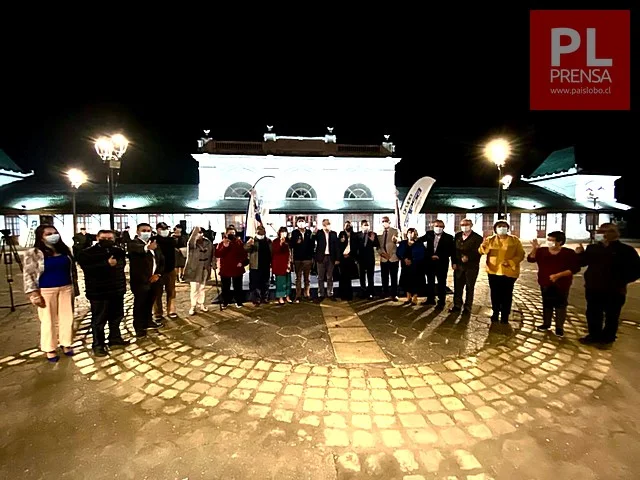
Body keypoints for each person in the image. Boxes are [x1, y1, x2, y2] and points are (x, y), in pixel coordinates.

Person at [576, 223, 640, 347]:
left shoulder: (626, 250)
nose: (598, 234)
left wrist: (622, 280)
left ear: (608, 234)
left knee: (612, 315)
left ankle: (608, 337)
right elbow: (583, 263)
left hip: (615, 289)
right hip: (593, 287)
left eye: (600, 232)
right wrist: (580, 253)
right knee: (593, 313)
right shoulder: (593, 248)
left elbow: (637, 270)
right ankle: (594, 335)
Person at [23, 225, 79, 362]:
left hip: (66, 287)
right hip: (46, 290)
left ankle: (66, 343)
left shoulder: (64, 250)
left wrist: (75, 287)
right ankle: (50, 348)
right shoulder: (34, 252)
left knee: (68, 318)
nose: (53, 235)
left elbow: (72, 270)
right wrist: (33, 293)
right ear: (41, 236)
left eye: (55, 233)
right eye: (48, 233)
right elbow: (28, 274)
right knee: (48, 320)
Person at [77, 229, 128, 356]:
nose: (107, 241)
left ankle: (115, 338)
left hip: (116, 290)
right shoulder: (88, 253)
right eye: (104, 238)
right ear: (97, 238)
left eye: (110, 238)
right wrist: (106, 264)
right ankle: (98, 344)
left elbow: (120, 268)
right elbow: (88, 269)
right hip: (98, 292)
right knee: (99, 320)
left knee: (116, 317)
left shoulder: (118, 251)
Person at [528, 231, 580, 338]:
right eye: (549, 239)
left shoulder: (568, 253)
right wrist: (535, 248)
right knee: (547, 303)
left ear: (560, 242)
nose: (549, 242)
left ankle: (559, 327)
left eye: (552, 240)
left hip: (562, 283)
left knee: (561, 304)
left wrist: (558, 275)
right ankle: (546, 323)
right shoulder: (542, 251)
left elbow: (575, 268)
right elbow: (531, 259)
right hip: (545, 282)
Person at [478, 220, 525, 323]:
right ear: (495, 229)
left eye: (504, 226)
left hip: (509, 272)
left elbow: (520, 254)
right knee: (495, 293)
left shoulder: (515, 240)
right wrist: (483, 246)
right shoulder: (490, 240)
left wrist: (511, 262)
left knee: (507, 294)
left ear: (508, 228)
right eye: (499, 226)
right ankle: (495, 312)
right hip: (493, 271)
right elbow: (482, 252)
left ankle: (505, 315)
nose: (502, 228)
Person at [128, 223, 164, 337]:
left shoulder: (154, 244)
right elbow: (138, 251)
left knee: (150, 302)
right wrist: (147, 248)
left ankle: (148, 321)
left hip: (155, 280)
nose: (146, 232)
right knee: (139, 304)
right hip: (141, 281)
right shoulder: (133, 244)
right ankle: (139, 327)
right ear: (138, 232)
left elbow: (161, 260)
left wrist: (157, 274)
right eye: (144, 230)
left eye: (148, 230)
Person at [418, 219, 454, 308]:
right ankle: (430, 299)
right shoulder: (429, 234)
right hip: (430, 262)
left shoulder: (449, 237)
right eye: (437, 226)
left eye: (441, 226)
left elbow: (450, 251)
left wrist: (439, 256)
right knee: (430, 282)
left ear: (444, 227)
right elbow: (419, 241)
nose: (438, 228)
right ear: (433, 226)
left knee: (441, 282)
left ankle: (441, 302)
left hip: (442, 263)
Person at [451, 218, 483, 314]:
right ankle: (457, 305)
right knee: (458, 287)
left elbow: (479, 252)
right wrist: (454, 262)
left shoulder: (477, 238)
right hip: (459, 267)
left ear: (471, 225)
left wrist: (469, 257)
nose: (464, 226)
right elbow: (454, 251)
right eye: (462, 225)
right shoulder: (457, 236)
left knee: (469, 287)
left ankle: (467, 307)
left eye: (467, 224)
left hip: (471, 267)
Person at [183, 226, 215, 315]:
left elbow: (213, 254)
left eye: (201, 232)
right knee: (194, 288)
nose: (199, 234)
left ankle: (201, 303)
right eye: (198, 233)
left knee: (202, 287)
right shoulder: (192, 243)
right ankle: (193, 306)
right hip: (194, 269)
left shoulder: (208, 242)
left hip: (205, 268)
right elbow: (191, 242)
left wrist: (214, 264)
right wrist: (195, 231)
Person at [215, 226, 247, 308]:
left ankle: (238, 301)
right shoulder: (222, 243)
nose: (232, 235)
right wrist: (225, 246)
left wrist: (241, 262)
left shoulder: (239, 242)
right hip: (226, 268)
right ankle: (225, 301)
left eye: (233, 233)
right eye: (230, 233)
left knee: (238, 286)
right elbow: (218, 254)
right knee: (225, 287)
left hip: (237, 268)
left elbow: (244, 254)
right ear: (226, 234)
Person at [153, 222, 178, 320]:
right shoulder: (154, 240)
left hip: (170, 269)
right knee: (157, 292)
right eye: (162, 229)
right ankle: (158, 313)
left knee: (171, 291)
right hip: (158, 270)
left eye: (166, 229)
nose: (164, 231)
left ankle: (171, 310)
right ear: (157, 230)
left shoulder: (171, 240)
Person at [397, 228, 425, 306]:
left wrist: (412, 260)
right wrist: (404, 259)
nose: (411, 234)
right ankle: (408, 297)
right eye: (410, 232)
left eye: (413, 233)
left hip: (416, 266)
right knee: (406, 281)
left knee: (415, 282)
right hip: (405, 266)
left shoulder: (419, 243)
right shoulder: (403, 243)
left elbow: (422, 254)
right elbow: (398, 252)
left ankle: (415, 298)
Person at [313, 219, 340, 301]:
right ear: (322, 225)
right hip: (321, 257)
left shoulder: (333, 234)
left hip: (331, 257)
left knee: (330, 277)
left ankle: (330, 293)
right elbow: (312, 239)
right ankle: (321, 294)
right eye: (325, 224)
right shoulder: (319, 233)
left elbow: (337, 247)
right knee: (320, 277)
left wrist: (337, 258)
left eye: (328, 224)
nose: (326, 225)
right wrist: (314, 232)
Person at [245, 225, 272, 305]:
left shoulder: (268, 241)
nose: (261, 233)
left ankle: (265, 297)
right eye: (259, 232)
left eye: (262, 231)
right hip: (255, 265)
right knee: (255, 283)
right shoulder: (253, 240)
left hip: (265, 265)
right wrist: (249, 244)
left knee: (265, 282)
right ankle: (256, 299)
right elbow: (246, 249)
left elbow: (271, 252)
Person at [289, 217, 314, 302]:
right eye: (299, 222)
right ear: (297, 224)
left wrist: (311, 257)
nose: (301, 223)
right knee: (298, 278)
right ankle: (298, 295)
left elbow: (312, 245)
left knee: (307, 278)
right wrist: (296, 242)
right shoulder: (294, 233)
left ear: (305, 223)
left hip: (307, 259)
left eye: (302, 221)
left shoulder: (309, 232)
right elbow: (291, 244)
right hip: (298, 259)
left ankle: (307, 294)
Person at [355, 219, 379, 299]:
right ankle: (363, 292)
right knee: (362, 277)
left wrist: (373, 240)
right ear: (361, 226)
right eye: (365, 225)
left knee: (370, 277)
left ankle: (370, 293)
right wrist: (356, 258)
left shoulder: (373, 234)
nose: (367, 227)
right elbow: (354, 247)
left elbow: (377, 245)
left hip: (370, 259)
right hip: (360, 259)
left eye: (368, 225)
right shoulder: (357, 235)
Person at [378, 216, 400, 301]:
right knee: (384, 277)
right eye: (383, 221)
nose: (384, 222)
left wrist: (396, 240)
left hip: (393, 257)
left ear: (389, 222)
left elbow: (399, 241)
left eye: (386, 221)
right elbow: (378, 246)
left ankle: (394, 294)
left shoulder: (395, 231)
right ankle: (385, 292)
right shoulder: (379, 232)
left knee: (394, 277)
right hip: (383, 258)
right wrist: (382, 254)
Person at [338, 221, 359, 301]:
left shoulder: (354, 235)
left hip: (350, 258)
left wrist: (350, 254)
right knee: (342, 277)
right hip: (342, 258)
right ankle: (342, 295)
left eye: (349, 225)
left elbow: (356, 247)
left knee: (349, 278)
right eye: (346, 225)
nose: (348, 226)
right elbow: (339, 245)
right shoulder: (341, 234)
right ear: (344, 226)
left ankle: (349, 295)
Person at [272, 227, 293, 304]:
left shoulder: (288, 242)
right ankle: (280, 297)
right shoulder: (275, 241)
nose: (284, 234)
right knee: (280, 282)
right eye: (282, 232)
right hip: (280, 265)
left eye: (285, 232)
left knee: (288, 281)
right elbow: (276, 251)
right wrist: (281, 243)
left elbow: (290, 251)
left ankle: (287, 296)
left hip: (287, 264)